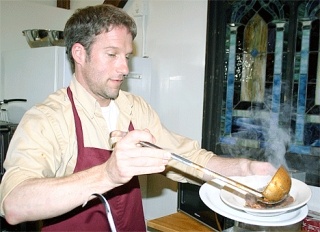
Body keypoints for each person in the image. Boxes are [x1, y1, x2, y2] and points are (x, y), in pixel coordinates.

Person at [0, 4, 275, 231]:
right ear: (79, 54)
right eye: (112, 55)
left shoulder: (135, 108)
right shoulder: (47, 118)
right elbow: (14, 203)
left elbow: (187, 159)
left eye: (127, 56)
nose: (124, 67)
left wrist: (246, 169)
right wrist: (107, 174)